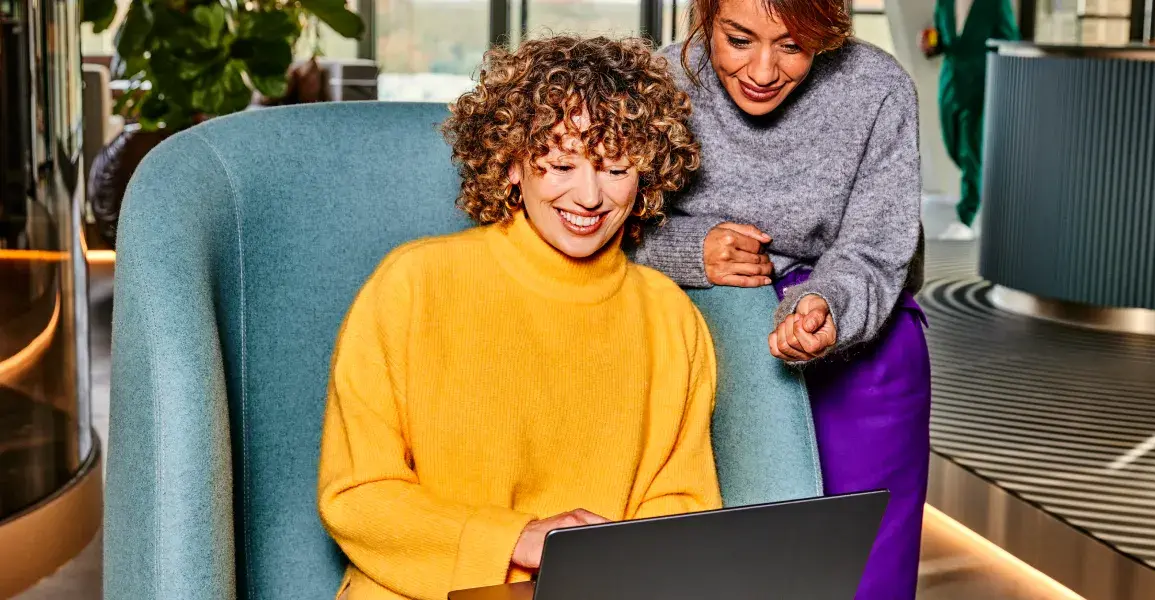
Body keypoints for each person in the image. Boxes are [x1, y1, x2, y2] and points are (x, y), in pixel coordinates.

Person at [317, 36, 722, 600]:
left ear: (647, 174)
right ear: (510, 164)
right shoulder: (412, 286)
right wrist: (517, 539)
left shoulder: (671, 318)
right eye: (560, 164)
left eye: (616, 168)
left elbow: (680, 508)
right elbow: (358, 496)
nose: (589, 196)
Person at [632, 0, 929, 597]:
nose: (763, 71)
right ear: (704, 14)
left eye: (792, 46)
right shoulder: (658, 87)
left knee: (861, 569)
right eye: (738, 39)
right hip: (702, 331)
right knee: (721, 559)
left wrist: (828, 308)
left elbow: (876, 247)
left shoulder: (877, 90)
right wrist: (691, 251)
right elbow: (601, 220)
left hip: (853, 332)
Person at [921, 0, 1020, 240]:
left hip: (982, 84)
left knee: (971, 151)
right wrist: (930, 45)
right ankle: (979, 194)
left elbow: (1010, 42)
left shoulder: (996, 4)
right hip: (950, 83)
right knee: (954, 145)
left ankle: (966, 217)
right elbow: (944, 41)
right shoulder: (943, 3)